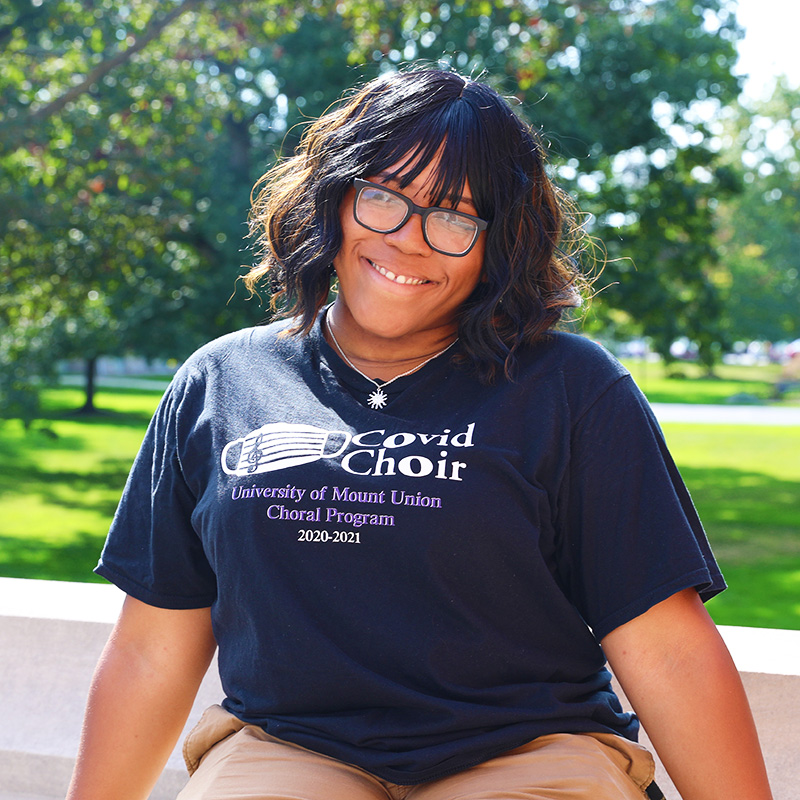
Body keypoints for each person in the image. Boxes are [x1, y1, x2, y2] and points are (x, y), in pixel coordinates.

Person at [66, 68, 772, 800]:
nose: (408, 240)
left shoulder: (571, 388)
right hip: (290, 746)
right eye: (383, 198)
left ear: (497, 245)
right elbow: (151, 652)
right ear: (335, 198)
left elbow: (666, 649)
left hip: (528, 746)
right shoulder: (222, 382)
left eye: (455, 218)